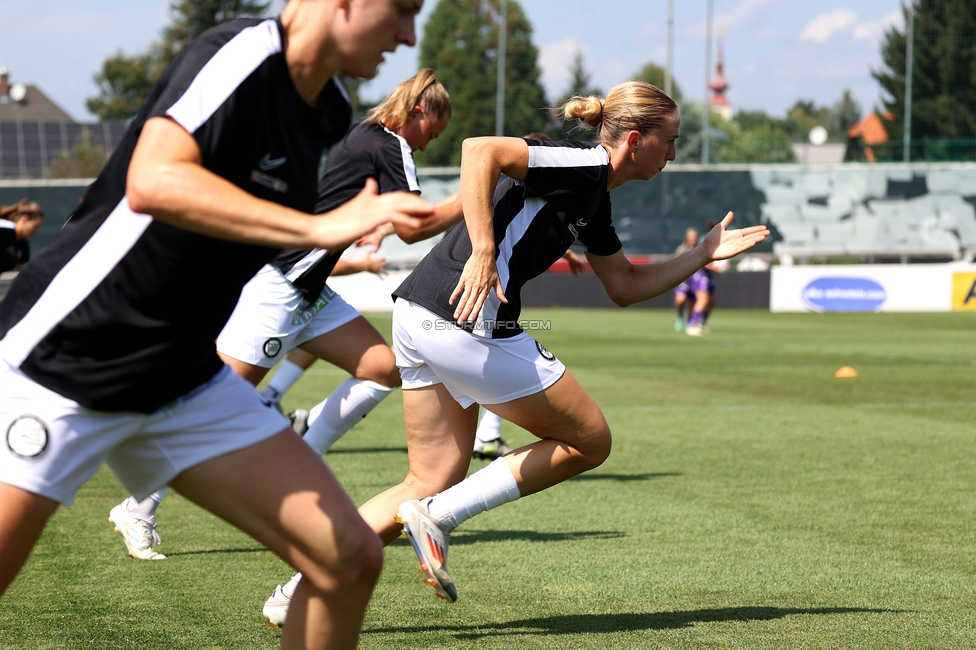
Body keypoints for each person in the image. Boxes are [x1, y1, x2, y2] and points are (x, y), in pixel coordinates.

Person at [0, 3, 432, 649]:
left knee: (347, 559)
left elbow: (245, 233)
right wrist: (319, 231)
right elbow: (154, 180)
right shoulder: (243, 55)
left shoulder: (329, 109)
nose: (408, 35)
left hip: (182, 378)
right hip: (69, 361)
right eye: (402, 10)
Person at [358, 81, 770, 603]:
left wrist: (702, 255)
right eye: (670, 141)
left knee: (427, 477)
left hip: (420, 313)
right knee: (590, 441)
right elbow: (478, 149)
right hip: (464, 314)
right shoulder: (585, 165)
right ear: (636, 140)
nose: (673, 153)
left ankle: (297, 588)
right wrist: (484, 250)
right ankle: (439, 517)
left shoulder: (595, 198)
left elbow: (624, 285)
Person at [106, 69, 459, 569]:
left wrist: (374, 225)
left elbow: (357, 203)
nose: (427, 145)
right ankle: (138, 507)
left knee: (383, 367)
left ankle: (305, 450)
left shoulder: (363, 134)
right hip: (283, 287)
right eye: (433, 133)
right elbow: (418, 224)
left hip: (308, 288)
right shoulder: (390, 141)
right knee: (211, 402)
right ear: (420, 112)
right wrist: (478, 194)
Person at [685, 219, 730, 336]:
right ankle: (692, 325)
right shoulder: (705, 239)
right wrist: (714, 268)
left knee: (711, 302)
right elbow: (702, 259)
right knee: (702, 300)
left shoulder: (721, 241)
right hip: (700, 274)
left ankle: (701, 323)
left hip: (709, 275)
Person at [0, 199, 44, 272]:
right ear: (24, 219)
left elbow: (24, 270)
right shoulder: (5, 229)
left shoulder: (22, 244)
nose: (37, 232)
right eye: (35, 227)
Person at [672, 227, 698, 331]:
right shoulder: (681, 249)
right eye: (691, 237)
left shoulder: (699, 249)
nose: (693, 239)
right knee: (680, 300)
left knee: (692, 302)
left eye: (695, 237)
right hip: (684, 279)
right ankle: (679, 316)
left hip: (695, 280)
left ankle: (689, 320)